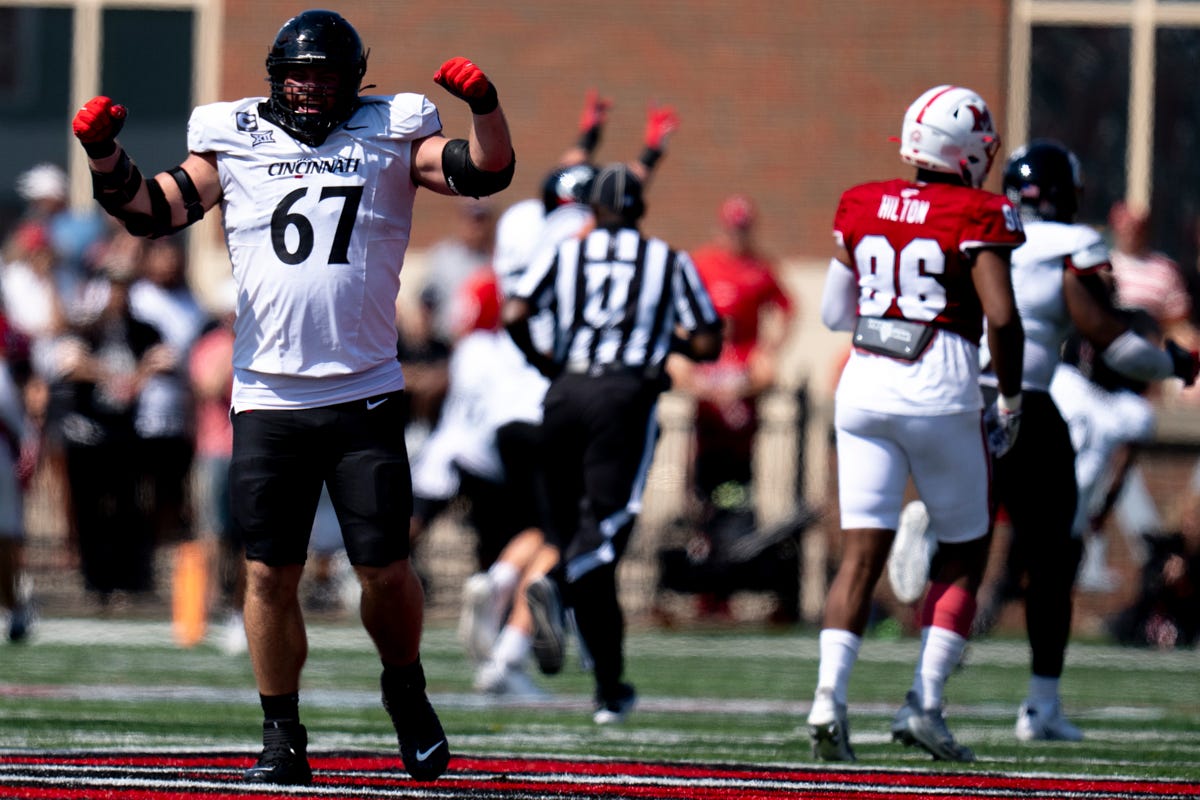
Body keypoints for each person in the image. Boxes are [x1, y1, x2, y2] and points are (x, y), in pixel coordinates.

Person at [71, 8, 514, 785]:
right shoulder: (234, 133)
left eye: (327, 76)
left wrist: (486, 106)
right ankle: (282, 734)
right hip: (269, 397)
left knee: (385, 567)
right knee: (267, 573)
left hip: (366, 391)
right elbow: (148, 209)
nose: (310, 90)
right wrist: (104, 154)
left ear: (354, 81)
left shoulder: (390, 128)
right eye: (298, 75)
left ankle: (405, 690)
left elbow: (486, 172)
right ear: (276, 79)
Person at [807, 85, 1026, 763]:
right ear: (966, 153)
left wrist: (891, 315)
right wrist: (1011, 399)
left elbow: (833, 313)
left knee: (859, 557)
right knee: (966, 548)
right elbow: (1003, 317)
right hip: (939, 390)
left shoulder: (862, 202)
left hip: (864, 384)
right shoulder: (980, 211)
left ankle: (826, 700)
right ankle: (925, 701)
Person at [975, 140, 1198, 741]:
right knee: (1054, 556)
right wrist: (1173, 362)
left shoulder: (974, 227)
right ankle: (1041, 703)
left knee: (965, 544)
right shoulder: (1073, 245)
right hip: (1031, 398)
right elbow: (1110, 336)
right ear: (1065, 192)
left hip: (956, 397)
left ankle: (923, 694)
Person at [503, 162, 723, 724]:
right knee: (601, 541)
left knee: (577, 542)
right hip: (622, 403)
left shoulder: (565, 251)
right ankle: (552, 587)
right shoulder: (667, 260)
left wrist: (547, 364)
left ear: (593, 211)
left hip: (564, 397)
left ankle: (609, 688)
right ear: (640, 210)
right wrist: (672, 348)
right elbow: (708, 338)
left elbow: (516, 311)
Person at [665, 192, 796, 620]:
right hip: (707, 400)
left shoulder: (760, 269)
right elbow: (679, 314)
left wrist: (768, 351)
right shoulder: (702, 262)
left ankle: (730, 581)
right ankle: (704, 585)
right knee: (699, 495)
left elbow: (788, 309)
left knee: (738, 496)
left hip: (740, 400)